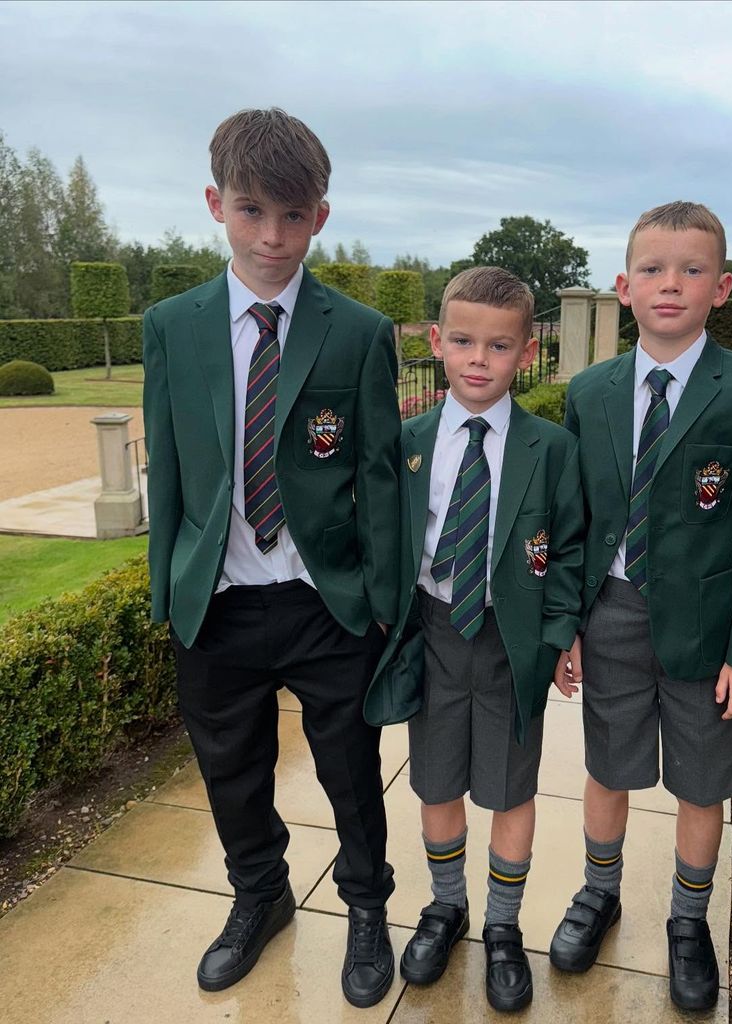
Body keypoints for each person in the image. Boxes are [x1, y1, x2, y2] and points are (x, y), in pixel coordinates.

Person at [143, 108, 401, 1008]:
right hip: (217, 602)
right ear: (216, 203)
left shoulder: (358, 331)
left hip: (324, 602)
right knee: (233, 773)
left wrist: (381, 601)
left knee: (351, 772)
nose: (272, 237)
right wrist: (169, 595)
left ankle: (366, 906)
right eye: (252, 211)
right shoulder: (172, 325)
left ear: (319, 216)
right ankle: (260, 894)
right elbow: (170, 467)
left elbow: (379, 476)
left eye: (294, 217)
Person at [547, 201, 732, 1011]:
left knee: (701, 782)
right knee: (607, 766)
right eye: (652, 269)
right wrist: (566, 625)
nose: (670, 284)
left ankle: (688, 921)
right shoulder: (590, 391)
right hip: (611, 614)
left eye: (692, 270)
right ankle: (599, 893)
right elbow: (573, 520)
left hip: (707, 628)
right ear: (625, 287)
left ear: (721, 288)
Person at [364, 266, 584, 1012]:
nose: (478, 359)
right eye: (462, 342)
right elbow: (386, 537)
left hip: (509, 641)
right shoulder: (408, 442)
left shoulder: (551, 448)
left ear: (528, 352)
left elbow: (570, 549)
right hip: (433, 633)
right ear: (437, 342)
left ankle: (502, 925)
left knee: (510, 788)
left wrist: (560, 634)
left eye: (499, 345)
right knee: (436, 781)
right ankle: (447, 906)